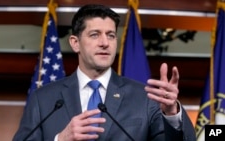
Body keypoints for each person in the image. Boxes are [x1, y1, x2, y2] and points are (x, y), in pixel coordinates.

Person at [13, 4, 196, 141]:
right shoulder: (43, 99)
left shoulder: (146, 98)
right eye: (95, 35)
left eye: (110, 35)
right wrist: (60, 139)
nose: (105, 43)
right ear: (75, 43)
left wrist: (172, 114)